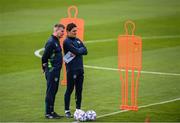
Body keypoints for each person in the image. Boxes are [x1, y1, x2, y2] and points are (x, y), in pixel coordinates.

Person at [63, 23, 88, 118]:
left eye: (76, 31)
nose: (75, 32)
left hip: (80, 69)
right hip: (71, 69)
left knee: (79, 90)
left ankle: (78, 109)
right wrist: (79, 50)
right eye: (73, 31)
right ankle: (67, 110)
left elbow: (85, 51)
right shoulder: (66, 42)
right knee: (70, 89)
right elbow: (78, 51)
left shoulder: (77, 40)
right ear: (68, 32)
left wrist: (78, 50)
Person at [41, 24, 65, 119]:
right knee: (51, 91)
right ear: (57, 30)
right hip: (52, 71)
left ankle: (51, 111)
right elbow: (44, 57)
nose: (63, 33)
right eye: (62, 31)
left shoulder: (56, 41)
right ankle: (48, 113)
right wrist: (47, 69)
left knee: (54, 91)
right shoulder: (51, 42)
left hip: (55, 71)